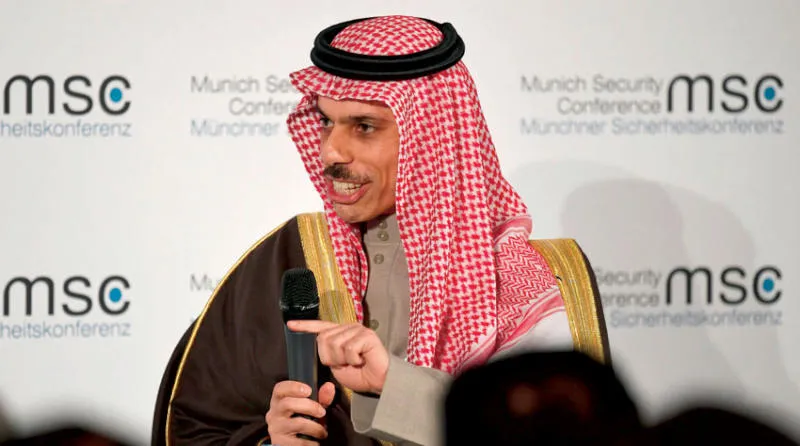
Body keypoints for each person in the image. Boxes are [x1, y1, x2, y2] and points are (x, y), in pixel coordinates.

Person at [155, 15, 575, 446]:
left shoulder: (524, 284)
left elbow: (557, 431)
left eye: (365, 127)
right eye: (326, 122)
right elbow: (195, 428)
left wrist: (395, 384)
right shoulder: (288, 255)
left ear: (430, 135)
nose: (331, 151)